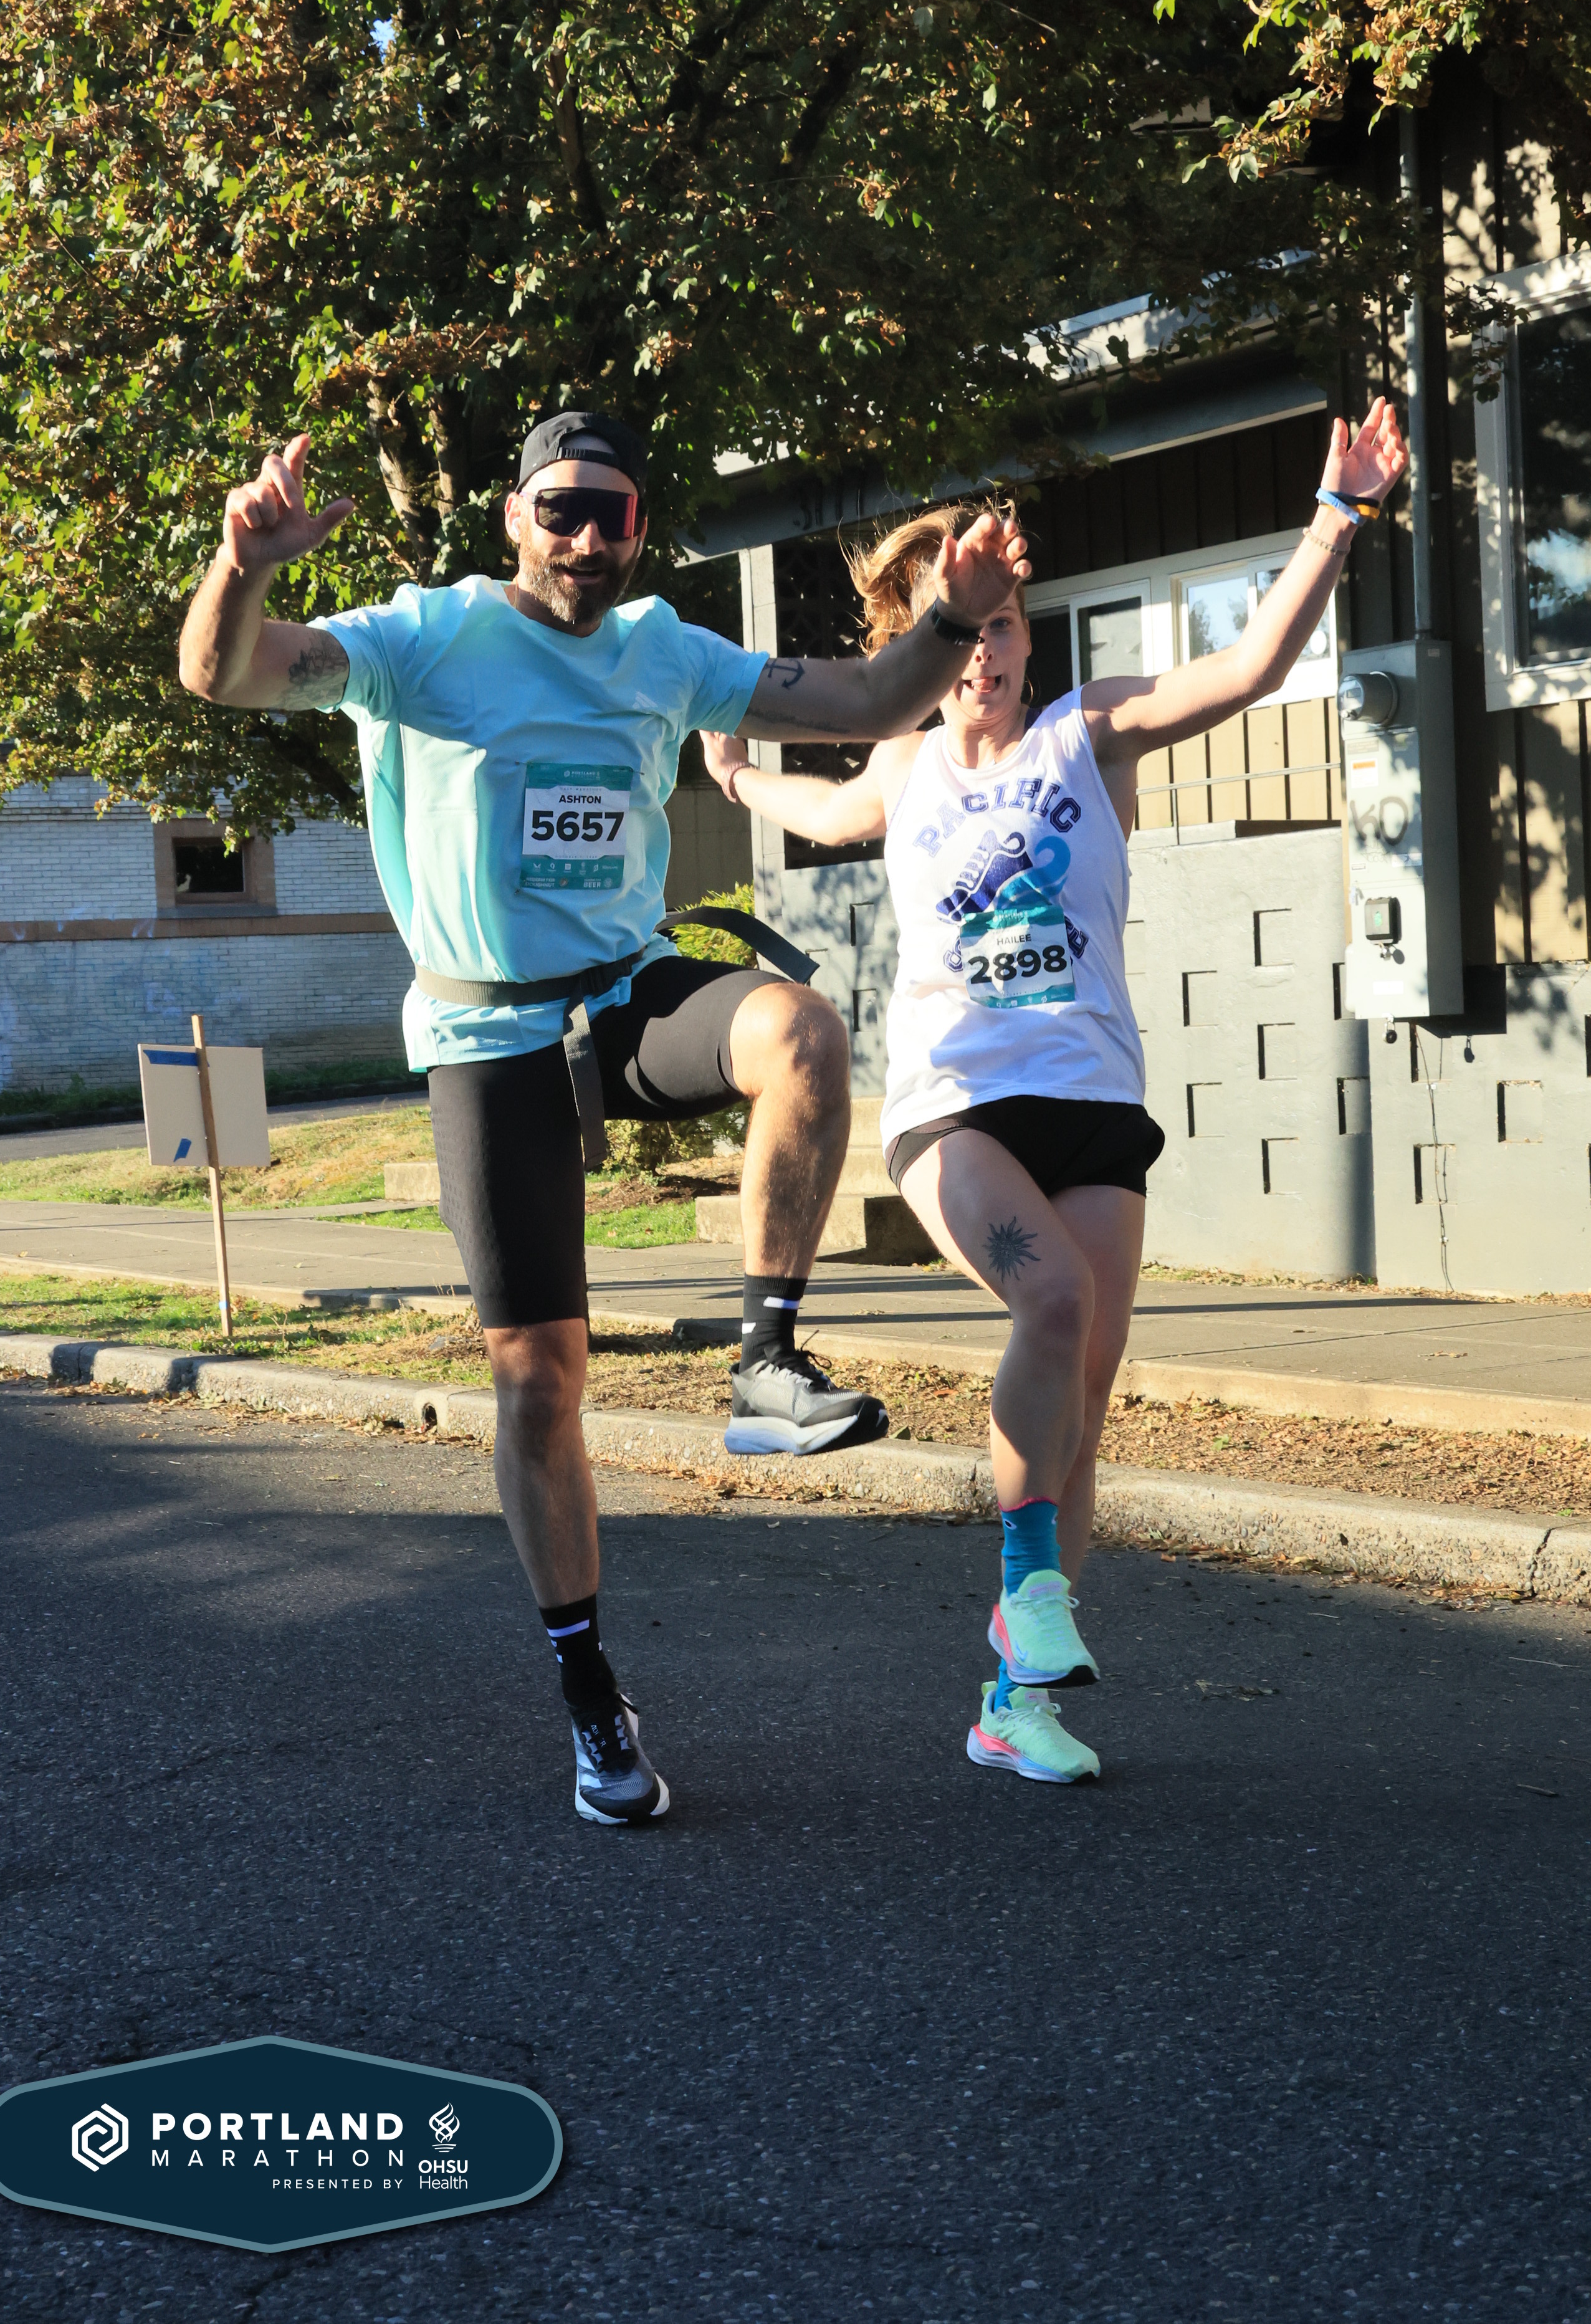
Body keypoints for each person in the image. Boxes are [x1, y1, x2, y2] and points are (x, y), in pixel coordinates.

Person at [178, 409, 1032, 1824]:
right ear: (515, 518)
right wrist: (245, 563)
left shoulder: (662, 651)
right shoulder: (424, 638)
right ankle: (589, 1692)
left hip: (625, 994)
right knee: (541, 1381)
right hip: (487, 1029)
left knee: (801, 1032)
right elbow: (225, 672)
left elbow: (874, 702)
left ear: (640, 531)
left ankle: (765, 1366)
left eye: (613, 514)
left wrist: (953, 613)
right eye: (561, 508)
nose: (586, 536)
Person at [704, 398, 1407, 1784]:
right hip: (952, 1107)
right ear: (925, 646)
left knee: (1078, 1411)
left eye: (1004, 627)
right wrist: (734, 772)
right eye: (959, 631)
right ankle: (1026, 1588)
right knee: (1055, 1302)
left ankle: (1011, 1702)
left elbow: (1255, 666)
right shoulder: (902, 767)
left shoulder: (1088, 731)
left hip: (1092, 1100)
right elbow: (818, 810)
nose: (983, 653)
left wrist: (1337, 515)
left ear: (1030, 638)